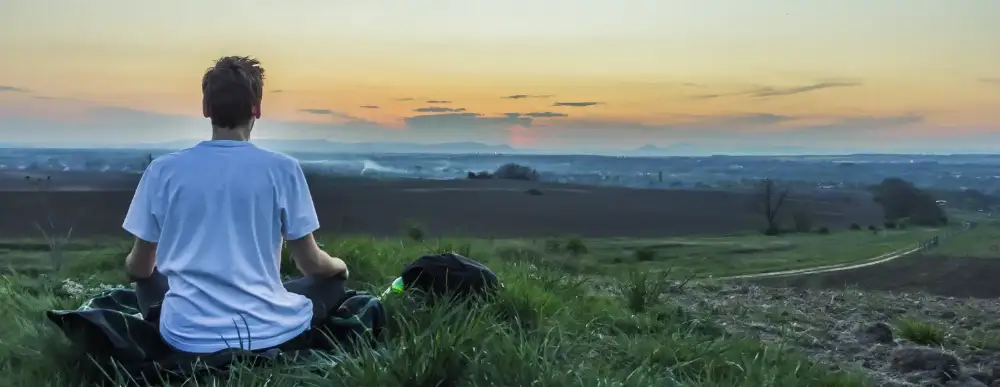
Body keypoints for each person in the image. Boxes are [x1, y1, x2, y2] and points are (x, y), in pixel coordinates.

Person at [121, 56, 349, 355]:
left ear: (206, 109)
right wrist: (339, 267)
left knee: (147, 280)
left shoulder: (163, 171)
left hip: (186, 336)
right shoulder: (283, 169)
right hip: (267, 332)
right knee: (332, 284)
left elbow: (138, 267)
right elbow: (310, 264)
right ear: (257, 109)